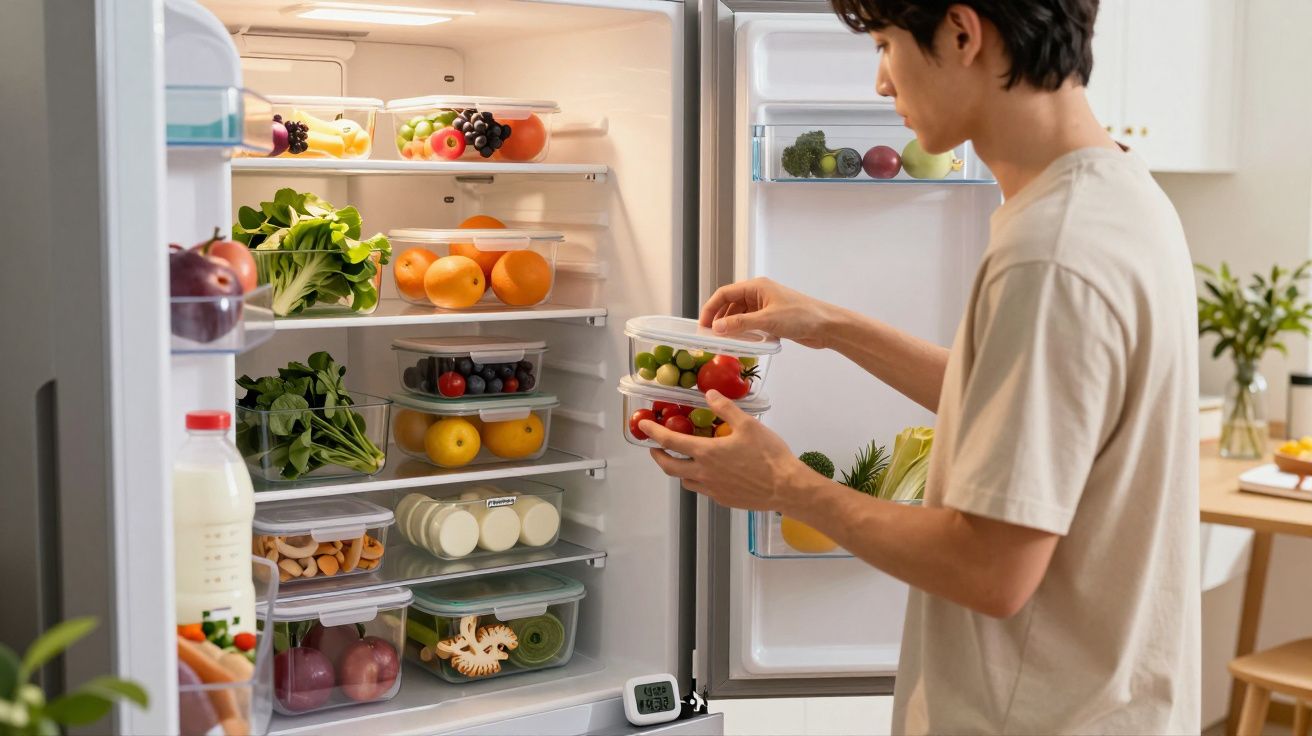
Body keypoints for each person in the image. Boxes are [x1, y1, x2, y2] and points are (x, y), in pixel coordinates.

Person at [639, 1, 1200, 733]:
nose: (880, 82)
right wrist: (832, 327)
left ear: (963, 33)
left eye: (885, 45)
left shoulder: (1050, 254)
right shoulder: (1121, 194)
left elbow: (991, 571)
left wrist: (785, 486)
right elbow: (1026, 415)